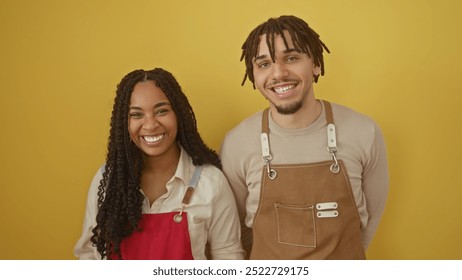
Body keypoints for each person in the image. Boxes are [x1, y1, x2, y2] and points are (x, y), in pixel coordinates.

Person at [219, 15, 389, 259]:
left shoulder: (364, 132)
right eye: (264, 64)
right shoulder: (237, 143)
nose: (279, 74)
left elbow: (369, 222)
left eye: (291, 58)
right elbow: (237, 232)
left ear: (315, 64)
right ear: (254, 75)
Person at [74, 68, 244, 260]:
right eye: (136, 115)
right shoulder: (107, 180)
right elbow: (89, 254)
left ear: (178, 114)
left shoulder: (211, 182)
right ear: (124, 122)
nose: (150, 125)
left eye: (161, 111)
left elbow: (229, 257)